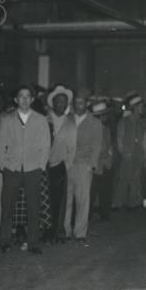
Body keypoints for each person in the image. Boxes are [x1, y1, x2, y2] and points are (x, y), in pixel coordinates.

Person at [0, 84, 50, 254]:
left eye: (28, 96)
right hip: (11, 169)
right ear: (16, 99)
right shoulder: (7, 120)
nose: (25, 99)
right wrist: (3, 165)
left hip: (33, 169)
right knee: (7, 206)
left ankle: (33, 242)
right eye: (21, 96)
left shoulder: (41, 120)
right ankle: (4, 241)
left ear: (33, 100)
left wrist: (40, 166)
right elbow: (0, 146)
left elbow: (45, 145)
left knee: (34, 207)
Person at [63, 91, 102, 245]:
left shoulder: (95, 123)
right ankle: (65, 230)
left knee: (82, 200)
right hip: (67, 164)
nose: (77, 105)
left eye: (81, 102)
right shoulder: (68, 120)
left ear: (86, 104)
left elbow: (97, 146)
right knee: (66, 200)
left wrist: (90, 165)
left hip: (83, 165)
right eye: (75, 102)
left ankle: (80, 232)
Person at [45, 84, 76, 243]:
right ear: (53, 102)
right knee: (45, 200)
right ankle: (45, 232)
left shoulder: (70, 123)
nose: (61, 104)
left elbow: (72, 147)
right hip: (44, 166)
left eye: (64, 101)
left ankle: (58, 231)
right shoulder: (45, 119)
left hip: (61, 166)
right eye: (58, 101)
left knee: (60, 202)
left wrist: (67, 166)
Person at [112, 92, 146, 210]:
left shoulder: (141, 122)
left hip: (138, 154)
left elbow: (143, 140)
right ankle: (117, 203)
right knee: (123, 178)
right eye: (140, 106)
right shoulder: (124, 121)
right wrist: (123, 152)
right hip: (127, 154)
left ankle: (134, 203)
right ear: (135, 107)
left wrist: (144, 155)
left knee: (136, 178)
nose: (142, 108)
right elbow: (119, 138)